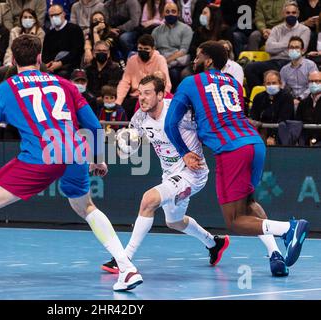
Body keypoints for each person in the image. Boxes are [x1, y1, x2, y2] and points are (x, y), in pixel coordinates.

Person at [0, 34, 143, 296]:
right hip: (75, 153)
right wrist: (98, 158)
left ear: (12, 58)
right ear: (40, 58)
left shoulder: (5, 89)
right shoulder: (65, 84)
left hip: (41, 157)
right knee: (85, 206)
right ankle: (126, 268)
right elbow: (92, 126)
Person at [164, 40, 310, 277]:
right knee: (249, 203)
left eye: (198, 56)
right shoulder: (233, 82)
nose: (194, 60)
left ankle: (289, 228)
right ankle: (275, 255)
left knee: (233, 221)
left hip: (231, 150)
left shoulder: (191, 82)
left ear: (208, 60)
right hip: (254, 143)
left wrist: (184, 152)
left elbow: (170, 124)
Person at [101, 75, 229, 273]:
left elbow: (209, 126)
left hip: (193, 173)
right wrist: (124, 146)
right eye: (139, 94)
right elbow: (130, 147)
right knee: (175, 221)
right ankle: (214, 244)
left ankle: (124, 259)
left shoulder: (179, 113)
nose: (142, 98)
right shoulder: (139, 117)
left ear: (160, 95)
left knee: (148, 200)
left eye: (148, 93)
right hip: (170, 175)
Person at [249, 70, 295, 145]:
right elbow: (254, 117)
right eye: (268, 83)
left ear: (280, 84)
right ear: (264, 84)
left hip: (281, 132)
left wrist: (272, 136)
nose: (271, 86)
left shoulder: (287, 97)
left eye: (274, 83)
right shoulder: (258, 97)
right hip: (262, 131)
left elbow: (284, 119)